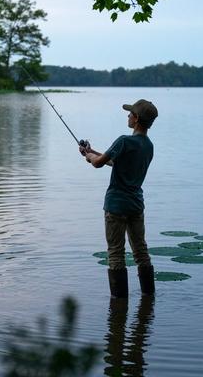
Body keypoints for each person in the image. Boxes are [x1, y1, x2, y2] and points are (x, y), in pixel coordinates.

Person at [80, 99, 158, 299]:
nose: (128, 116)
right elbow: (115, 161)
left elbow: (98, 163)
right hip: (136, 205)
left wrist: (88, 157)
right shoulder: (148, 146)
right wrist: (91, 151)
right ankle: (149, 295)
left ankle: (119, 301)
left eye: (130, 113)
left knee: (115, 252)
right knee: (141, 251)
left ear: (137, 119)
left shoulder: (124, 140)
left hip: (116, 206)